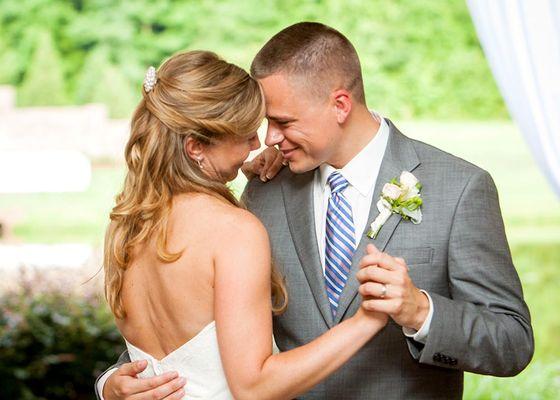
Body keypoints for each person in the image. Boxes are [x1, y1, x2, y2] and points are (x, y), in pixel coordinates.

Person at [98, 22, 534, 399]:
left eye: (284, 123)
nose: (268, 139)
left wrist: (420, 311)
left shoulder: (458, 188)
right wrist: (115, 379)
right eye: (265, 123)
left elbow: (512, 342)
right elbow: (200, 325)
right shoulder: (264, 192)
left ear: (340, 104)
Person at [98, 49, 388, 400]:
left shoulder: (128, 226)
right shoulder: (233, 231)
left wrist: (108, 386)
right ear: (195, 147)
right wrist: (366, 321)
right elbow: (254, 386)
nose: (258, 144)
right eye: (245, 133)